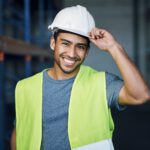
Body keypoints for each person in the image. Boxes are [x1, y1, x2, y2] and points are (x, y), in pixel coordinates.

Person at [14, 5, 150, 150]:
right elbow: (19, 133)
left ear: (87, 52)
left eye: (80, 47)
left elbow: (140, 95)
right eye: (66, 44)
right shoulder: (24, 87)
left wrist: (113, 47)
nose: (72, 54)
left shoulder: (101, 83)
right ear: (53, 43)